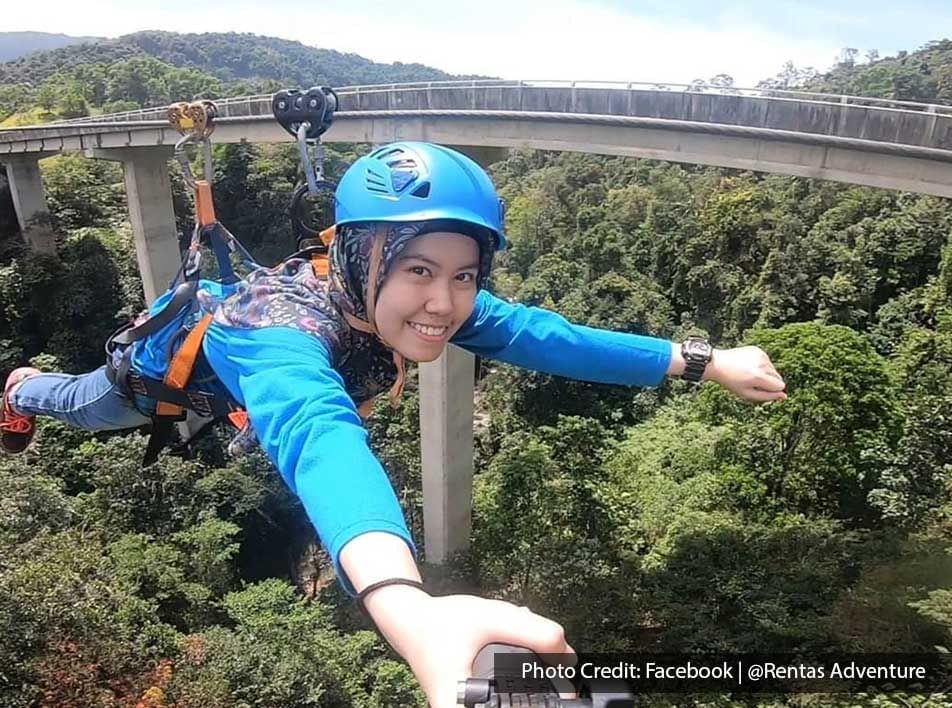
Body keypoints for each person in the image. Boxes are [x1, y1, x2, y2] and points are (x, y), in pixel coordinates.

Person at [0, 141, 787, 707]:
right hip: (149, 384)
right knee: (79, 407)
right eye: (418, 269)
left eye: (464, 275)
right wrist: (406, 607)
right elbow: (319, 435)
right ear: (361, 256)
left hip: (222, 392)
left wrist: (702, 360)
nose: (444, 301)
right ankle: (19, 386)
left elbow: (544, 335)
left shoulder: (413, 303)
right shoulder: (273, 331)